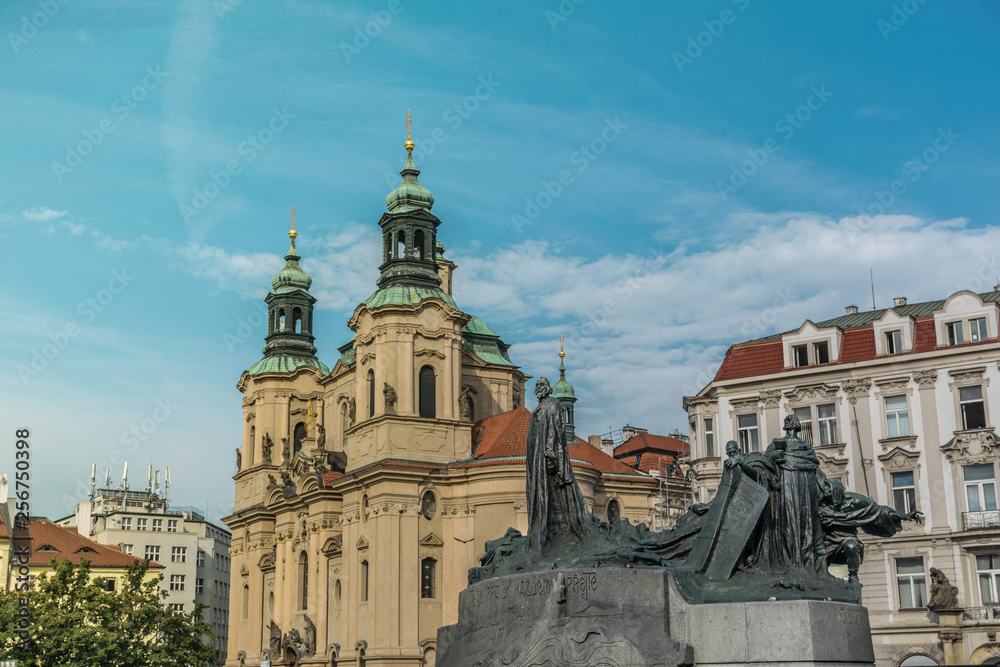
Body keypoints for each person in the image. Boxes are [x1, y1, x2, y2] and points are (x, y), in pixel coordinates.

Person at [525, 377, 590, 552]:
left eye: (541, 385)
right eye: (537, 385)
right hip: (535, 460)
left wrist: (550, 456)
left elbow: (553, 431)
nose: (538, 388)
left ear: (548, 388)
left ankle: (554, 535)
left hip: (546, 457)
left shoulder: (553, 405)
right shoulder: (538, 408)